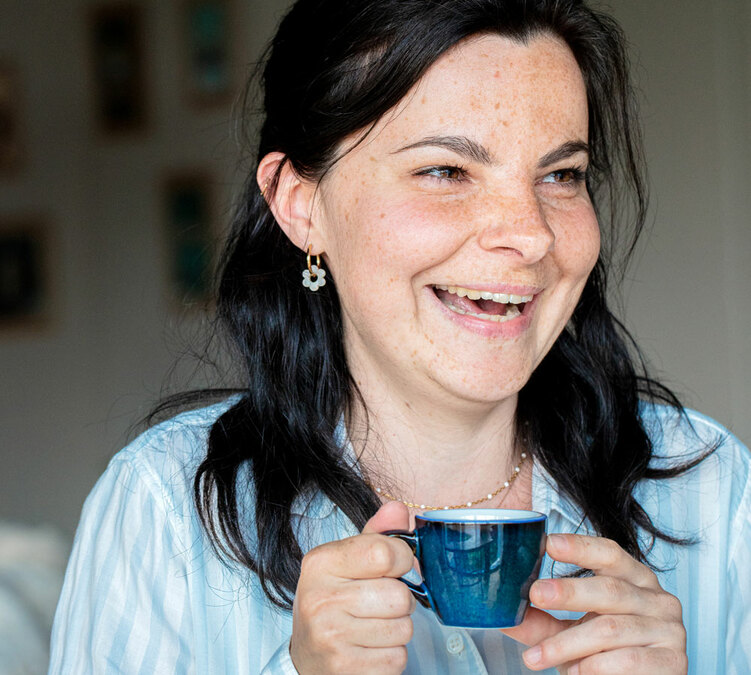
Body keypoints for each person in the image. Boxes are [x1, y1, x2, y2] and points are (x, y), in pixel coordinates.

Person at [49, 0, 750, 673]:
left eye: (561, 174)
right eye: (445, 170)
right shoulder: (164, 510)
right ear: (300, 204)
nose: (530, 234)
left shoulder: (714, 490)